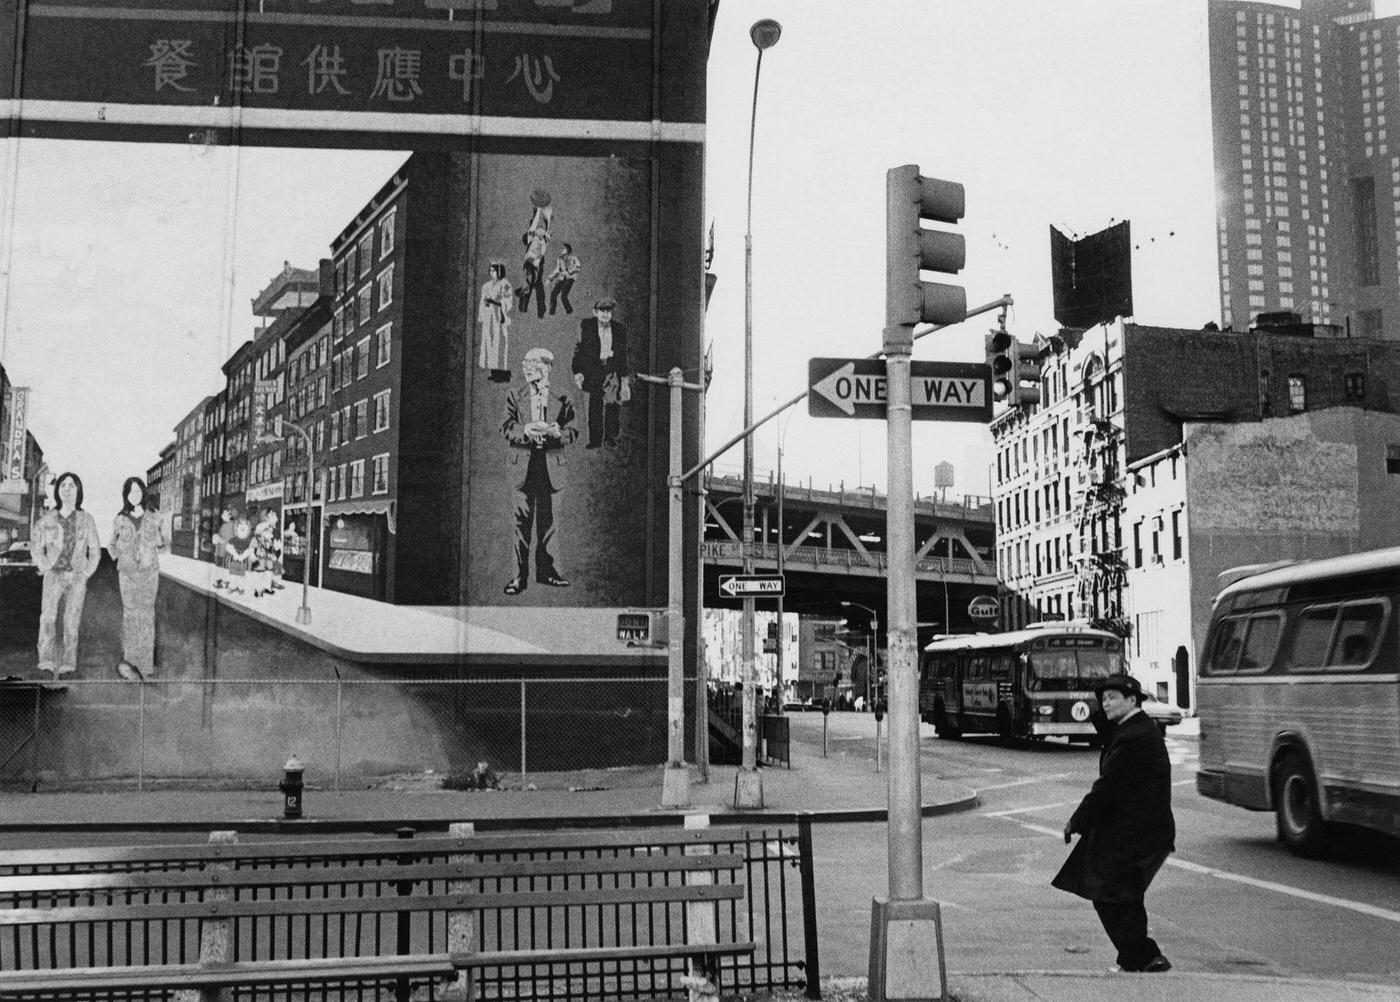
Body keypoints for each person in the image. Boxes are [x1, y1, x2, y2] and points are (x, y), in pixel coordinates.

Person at [1053, 673, 1175, 974]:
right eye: (1103, 698)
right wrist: (1104, 706)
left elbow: (1108, 787)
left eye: (1112, 698)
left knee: (1107, 892)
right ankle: (1141, 959)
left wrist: (1076, 821)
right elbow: (1102, 724)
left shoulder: (1133, 737)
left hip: (1136, 834)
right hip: (1140, 832)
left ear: (1132, 700)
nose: (1105, 703)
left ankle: (1142, 957)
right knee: (1125, 896)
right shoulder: (1134, 728)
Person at [500, 346, 577, 595]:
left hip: (551, 468)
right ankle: (518, 579)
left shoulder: (563, 397)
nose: (526, 369)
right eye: (524, 364)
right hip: (523, 468)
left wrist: (557, 434)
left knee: (549, 524)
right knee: (520, 525)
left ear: (546, 368)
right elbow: (505, 427)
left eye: (531, 364)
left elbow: (574, 430)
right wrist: (524, 430)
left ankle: (548, 573)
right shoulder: (515, 395)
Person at [32, 472, 102, 678]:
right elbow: (37, 548)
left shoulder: (87, 519)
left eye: (72, 485)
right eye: (63, 485)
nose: (67, 489)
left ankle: (68, 662)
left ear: (78, 490)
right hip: (53, 576)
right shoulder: (47, 520)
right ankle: (45, 659)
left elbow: (95, 551)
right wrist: (46, 567)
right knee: (48, 618)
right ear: (58, 490)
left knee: (72, 620)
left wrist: (85, 573)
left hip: (77, 577)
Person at [110, 476, 170, 682]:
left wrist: (153, 544)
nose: (133, 495)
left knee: (146, 615)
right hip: (126, 574)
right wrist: (124, 553)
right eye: (130, 491)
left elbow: (165, 542)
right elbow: (111, 545)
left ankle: (145, 665)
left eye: (137, 491)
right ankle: (130, 661)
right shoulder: (120, 518)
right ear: (125, 495)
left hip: (148, 573)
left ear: (143, 492)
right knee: (130, 615)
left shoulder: (155, 516)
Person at [571, 298, 630, 449]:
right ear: (595, 312)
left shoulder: (619, 330)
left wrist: (624, 381)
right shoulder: (586, 327)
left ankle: (610, 437)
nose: (605, 314)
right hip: (594, 370)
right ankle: (595, 440)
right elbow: (579, 351)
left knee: (612, 405)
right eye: (602, 311)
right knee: (595, 405)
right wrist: (578, 372)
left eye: (608, 311)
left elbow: (622, 356)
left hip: (611, 369)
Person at [516, 190, 552, 319]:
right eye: (539, 229)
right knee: (528, 286)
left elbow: (548, 229)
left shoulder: (545, 239)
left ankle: (541, 312)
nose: (540, 229)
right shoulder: (532, 237)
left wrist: (548, 216)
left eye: (542, 229)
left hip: (538, 266)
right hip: (529, 265)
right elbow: (534, 225)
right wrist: (538, 211)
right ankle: (522, 308)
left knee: (539, 288)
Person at [477, 260, 514, 382]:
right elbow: (483, 302)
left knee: (500, 343)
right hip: (489, 317)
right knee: (489, 343)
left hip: (499, 316)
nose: (491, 273)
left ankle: (502, 373)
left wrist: (497, 304)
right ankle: (493, 371)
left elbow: (507, 301)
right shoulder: (486, 286)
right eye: (490, 270)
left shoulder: (505, 284)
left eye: (493, 270)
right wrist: (483, 313)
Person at [546, 242, 580, 316]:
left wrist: (568, 272)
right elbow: (557, 270)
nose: (561, 249)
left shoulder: (574, 259)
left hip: (570, 279)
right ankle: (552, 312)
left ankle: (569, 311)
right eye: (561, 248)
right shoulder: (560, 259)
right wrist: (550, 279)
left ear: (568, 249)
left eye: (563, 248)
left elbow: (577, 269)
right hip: (562, 279)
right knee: (553, 294)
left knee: (563, 296)